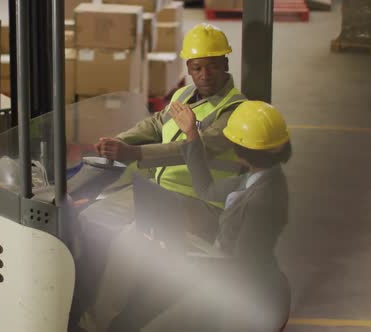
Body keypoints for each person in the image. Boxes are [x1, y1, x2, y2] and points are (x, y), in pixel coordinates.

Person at [72, 23, 247, 322]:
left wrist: (134, 154)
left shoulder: (236, 111)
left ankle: (112, 320)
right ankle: (81, 303)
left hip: (201, 204)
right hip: (159, 194)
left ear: (226, 64)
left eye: (213, 66)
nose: (204, 75)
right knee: (91, 218)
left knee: (133, 246)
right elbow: (155, 124)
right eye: (197, 68)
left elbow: (194, 148)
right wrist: (121, 141)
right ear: (189, 69)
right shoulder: (186, 94)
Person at [84, 100, 293, 332]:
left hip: (238, 285)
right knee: (141, 247)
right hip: (224, 262)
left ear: (244, 150)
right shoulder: (256, 178)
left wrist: (190, 263)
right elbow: (207, 190)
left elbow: (241, 265)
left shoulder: (262, 200)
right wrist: (192, 134)